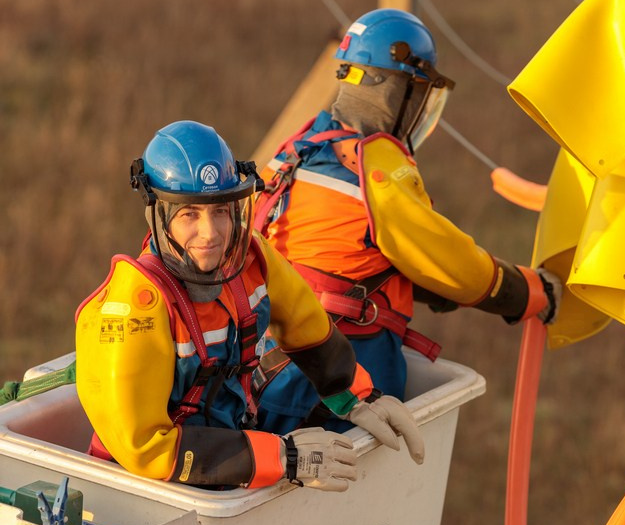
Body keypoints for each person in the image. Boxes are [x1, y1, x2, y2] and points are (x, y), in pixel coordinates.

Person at [254, 8, 562, 434]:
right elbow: (449, 261)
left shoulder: (297, 149)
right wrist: (526, 291)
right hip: (339, 376)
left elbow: (340, 258)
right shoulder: (375, 165)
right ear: (397, 90)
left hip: (269, 364)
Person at [75, 120, 424, 492]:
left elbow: (306, 324)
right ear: (157, 213)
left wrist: (355, 396)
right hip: (142, 490)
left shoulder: (251, 260)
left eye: (221, 211)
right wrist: (283, 457)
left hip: (227, 462)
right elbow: (146, 450)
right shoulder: (135, 310)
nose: (211, 233)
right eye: (189, 214)